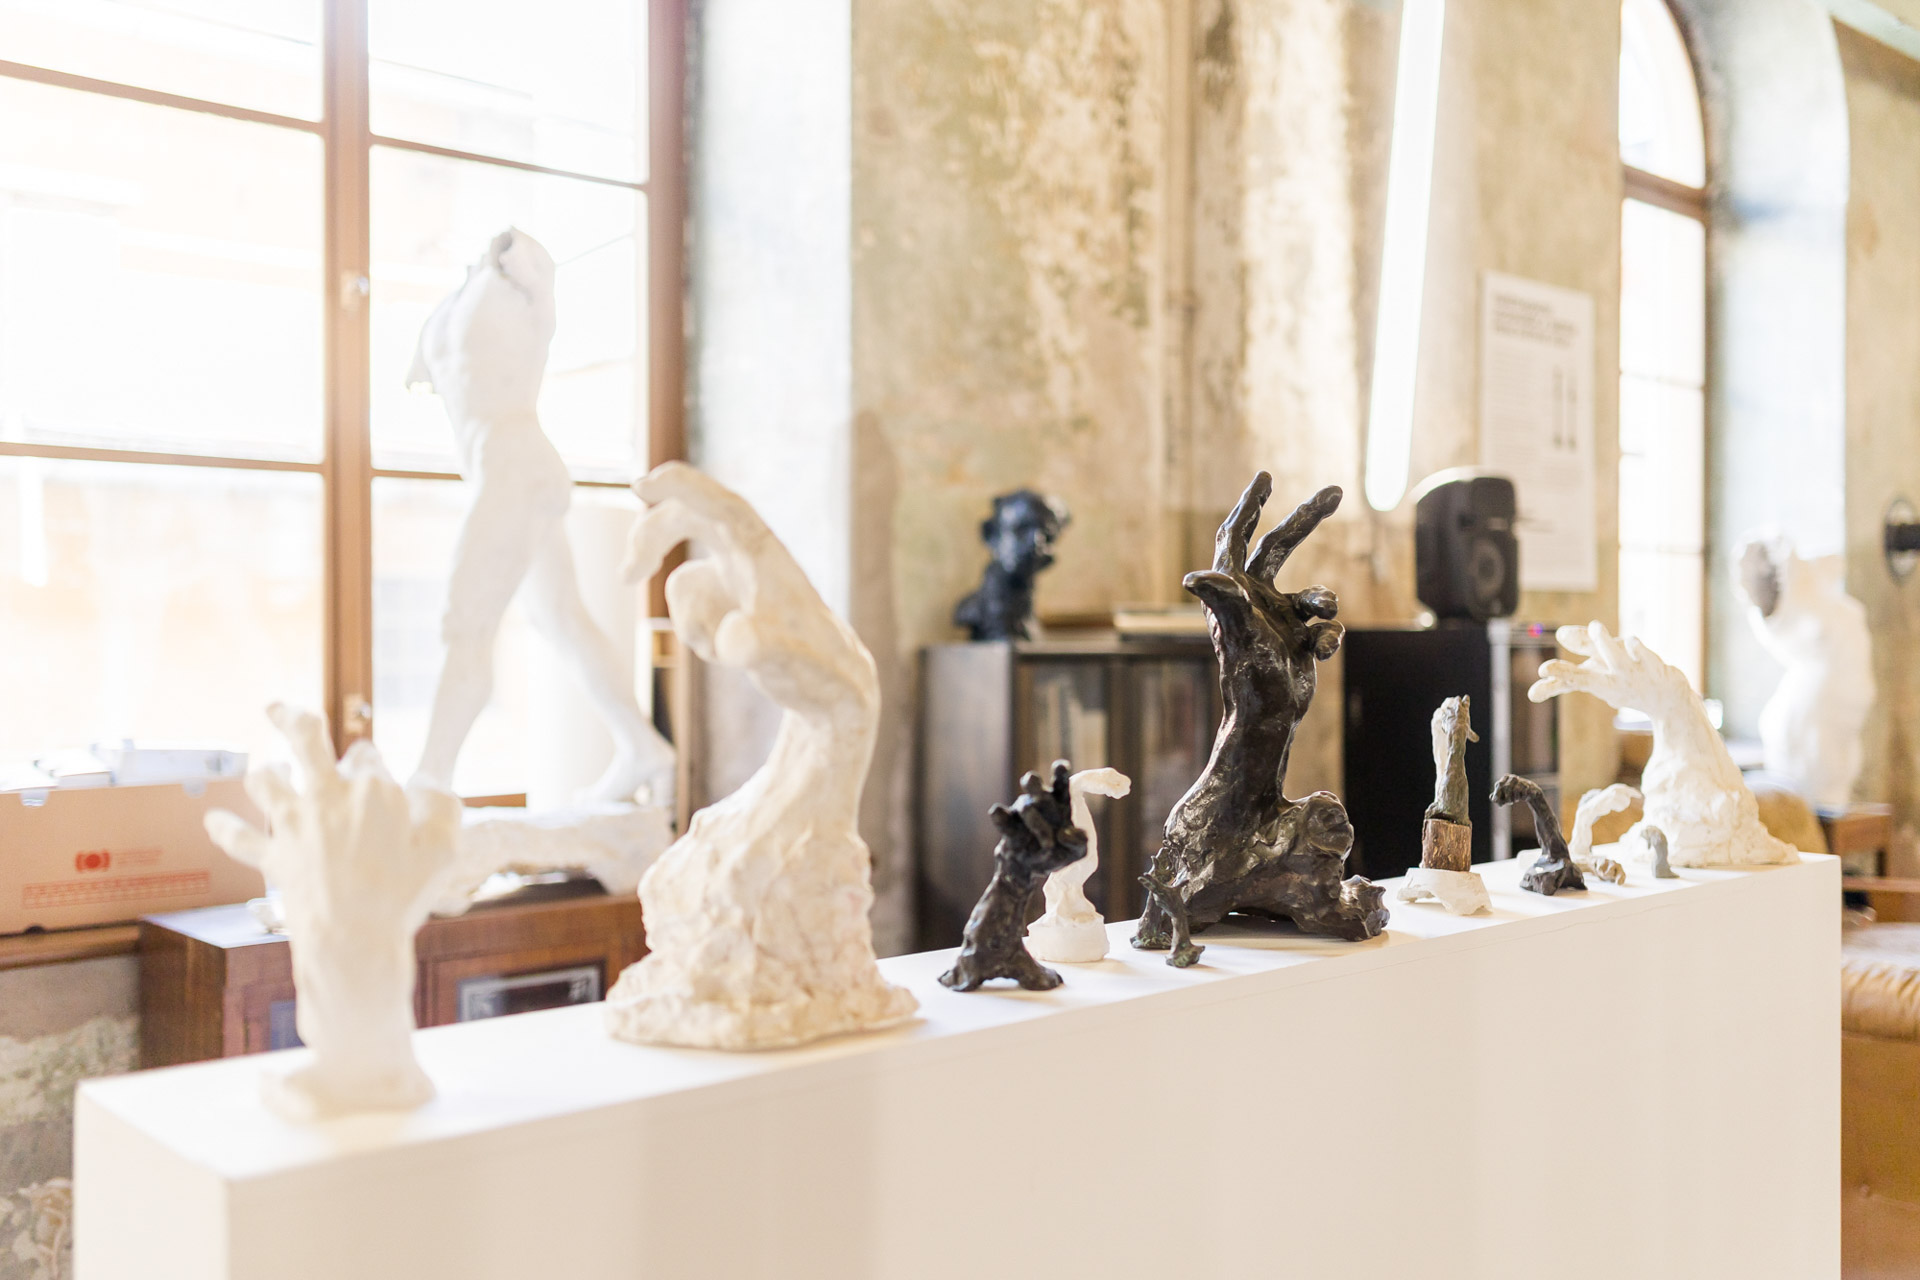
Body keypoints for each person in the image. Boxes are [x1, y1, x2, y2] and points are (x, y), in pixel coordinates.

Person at [405, 228, 673, 808]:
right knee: (562, 620)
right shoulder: (457, 296)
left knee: (466, 623)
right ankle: (643, 747)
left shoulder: (518, 266)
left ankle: (429, 783)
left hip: (514, 466)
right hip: (500, 471)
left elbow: (533, 289)